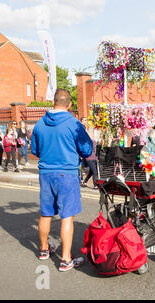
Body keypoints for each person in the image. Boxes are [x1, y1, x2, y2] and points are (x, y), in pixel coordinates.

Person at [31, 88, 93, 272]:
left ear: (53, 102)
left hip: (46, 173)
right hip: (67, 174)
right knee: (67, 216)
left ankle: (43, 250)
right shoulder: (74, 124)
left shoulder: (40, 124)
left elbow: (35, 150)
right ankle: (65, 259)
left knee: (46, 213)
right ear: (70, 105)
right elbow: (87, 150)